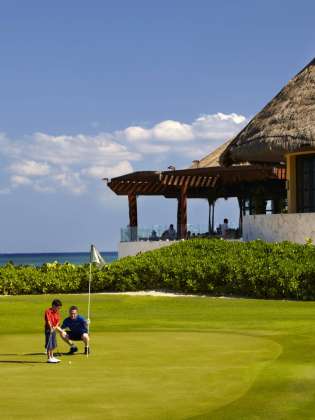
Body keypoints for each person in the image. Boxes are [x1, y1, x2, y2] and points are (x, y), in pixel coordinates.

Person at [44, 298, 62, 363]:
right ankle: (49, 358)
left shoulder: (57, 312)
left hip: (53, 329)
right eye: (58, 308)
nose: (58, 309)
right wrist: (51, 327)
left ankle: (52, 356)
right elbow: (48, 320)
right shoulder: (48, 311)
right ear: (53, 306)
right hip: (48, 329)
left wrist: (55, 327)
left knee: (53, 343)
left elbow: (58, 321)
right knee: (49, 344)